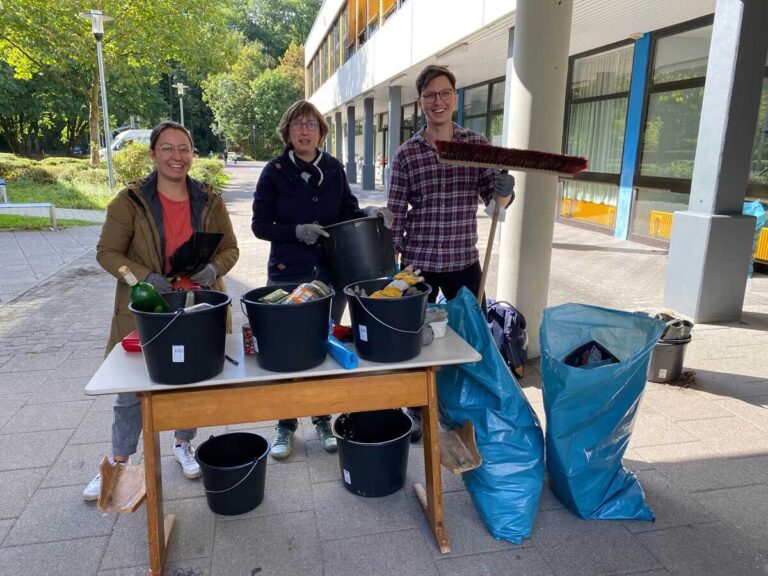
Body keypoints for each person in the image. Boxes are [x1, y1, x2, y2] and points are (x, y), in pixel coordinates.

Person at [83, 120, 240, 501]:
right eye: (167, 148)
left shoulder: (210, 199)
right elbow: (107, 252)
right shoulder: (130, 200)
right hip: (147, 309)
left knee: (192, 383)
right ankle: (119, 460)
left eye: (184, 148)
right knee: (133, 390)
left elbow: (230, 249)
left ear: (192, 154)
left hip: (198, 308)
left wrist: (214, 268)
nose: (177, 156)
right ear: (152, 153)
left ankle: (183, 444)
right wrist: (142, 277)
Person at [252, 99, 392, 460]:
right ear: (287, 131)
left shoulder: (333, 169)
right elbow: (259, 226)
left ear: (321, 132)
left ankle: (321, 418)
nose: (304, 130)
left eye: (311, 124)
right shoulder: (274, 172)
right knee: (287, 350)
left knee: (323, 345)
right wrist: (296, 231)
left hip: (331, 271)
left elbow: (347, 209)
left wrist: (369, 213)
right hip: (289, 272)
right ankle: (285, 425)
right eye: (297, 124)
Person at [387, 65, 515, 442]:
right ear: (420, 102)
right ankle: (413, 408)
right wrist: (389, 261)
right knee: (410, 337)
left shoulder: (477, 147)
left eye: (445, 93)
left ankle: (466, 403)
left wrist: (504, 190)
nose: (438, 101)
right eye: (430, 95)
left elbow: (495, 205)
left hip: (463, 261)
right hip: (418, 263)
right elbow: (395, 212)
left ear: (455, 97)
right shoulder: (407, 154)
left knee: (473, 335)